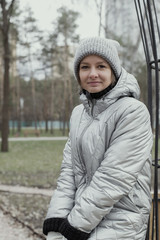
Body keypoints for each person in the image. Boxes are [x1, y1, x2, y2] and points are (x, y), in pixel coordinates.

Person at [43, 37, 153, 240]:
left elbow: (114, 177)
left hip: (121, 219)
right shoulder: (79, 114)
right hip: (82, 215)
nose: (92, 74)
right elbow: (69, 172)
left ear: (113, 71)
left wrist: (75, 226)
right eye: (85, 67)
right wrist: (57, 219)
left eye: (101, 66)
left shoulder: (132, 111)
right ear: (78, 73)